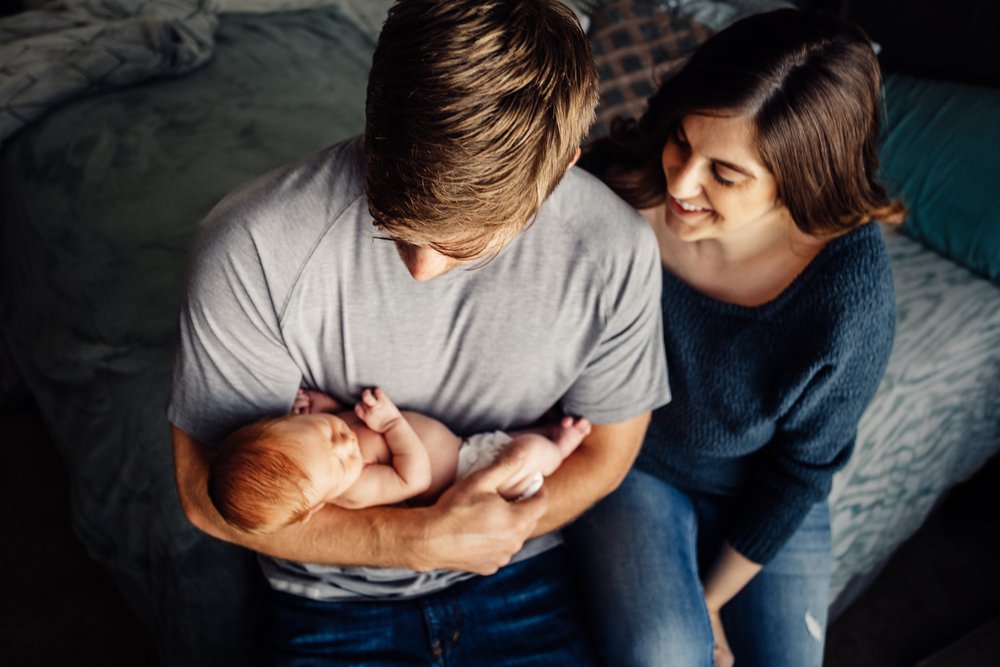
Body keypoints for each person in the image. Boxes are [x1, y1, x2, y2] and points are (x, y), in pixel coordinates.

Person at [167, 0, 669, 663]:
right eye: (395, 226)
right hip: (334, 600)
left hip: (519, 569)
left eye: (463, 246)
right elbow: (206, 497)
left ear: (559, 171)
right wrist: (416, 540)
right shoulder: (251, 246)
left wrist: (490, 528)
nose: (423, 268)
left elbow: (605, 454)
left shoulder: (616, 251)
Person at [564, 8, 905, 667]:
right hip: (636, 460)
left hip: (766, 487)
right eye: (683, 142)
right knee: (663, 653)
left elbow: (803, 467)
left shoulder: (849, 296)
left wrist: (712, 598)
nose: (681, 183)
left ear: (800, 182)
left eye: (725, 174)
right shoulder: (616, 187)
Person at [210, 387, 592, 534]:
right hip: (477, 477)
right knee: (525, 455)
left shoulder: (320, 455)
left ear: (289, 422)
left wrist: (328, 406)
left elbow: (350, 423)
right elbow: (414, 479)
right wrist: (392, 423)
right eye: (342, 462)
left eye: (326, 431)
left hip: (471, 444)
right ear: (317, 506)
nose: (345, 444)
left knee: (520, 439)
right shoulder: (354, 489)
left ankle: (546, 432)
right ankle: (559, 447)